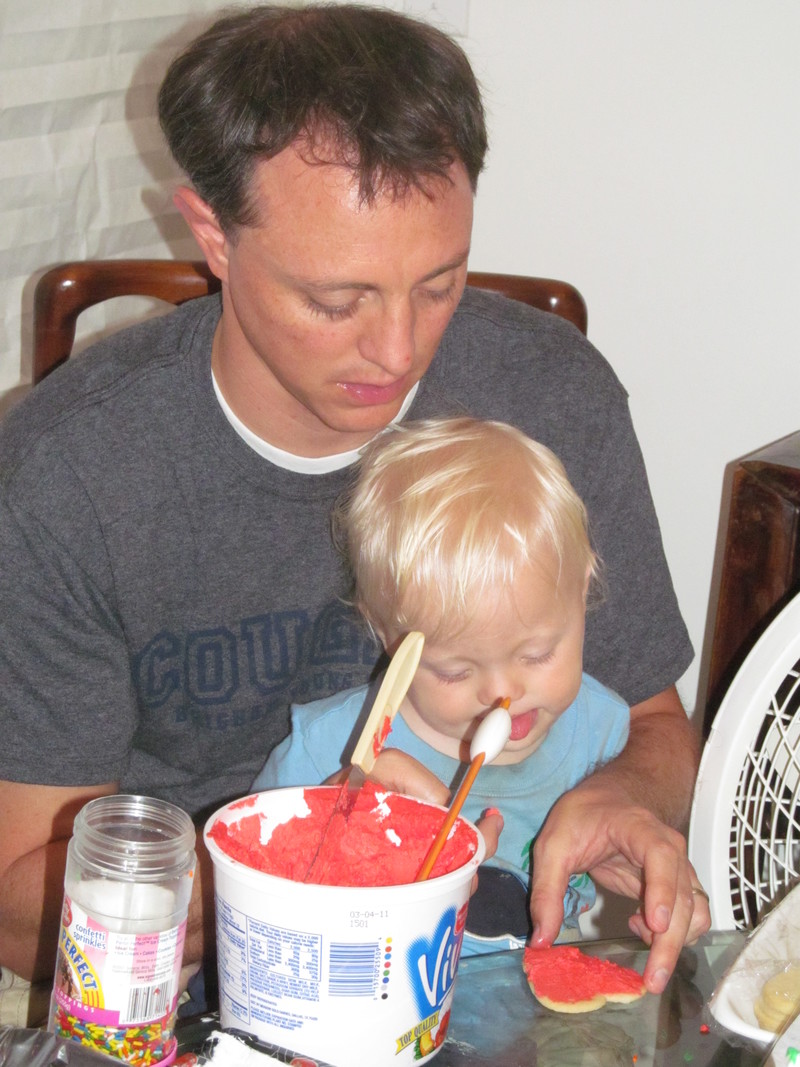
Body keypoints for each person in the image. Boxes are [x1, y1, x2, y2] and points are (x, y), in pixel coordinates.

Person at [0, 2, 707, 1016]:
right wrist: (297, 865)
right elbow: (20, 892)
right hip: (198, 991)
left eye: (438, 282)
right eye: (336, 301)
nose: (397, 350)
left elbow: (652, 725)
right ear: (210, 233)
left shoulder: (552, 399)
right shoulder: (72, 473)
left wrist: (616, 800)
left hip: (487, 967)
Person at [253, 416, 632, 956]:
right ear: (386, 636)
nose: (504, 694)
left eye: (538, 653)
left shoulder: (604, 732)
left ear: (583, 589)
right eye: (456, 671)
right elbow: (251, 902)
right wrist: (330, 829)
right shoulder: (325, 752)